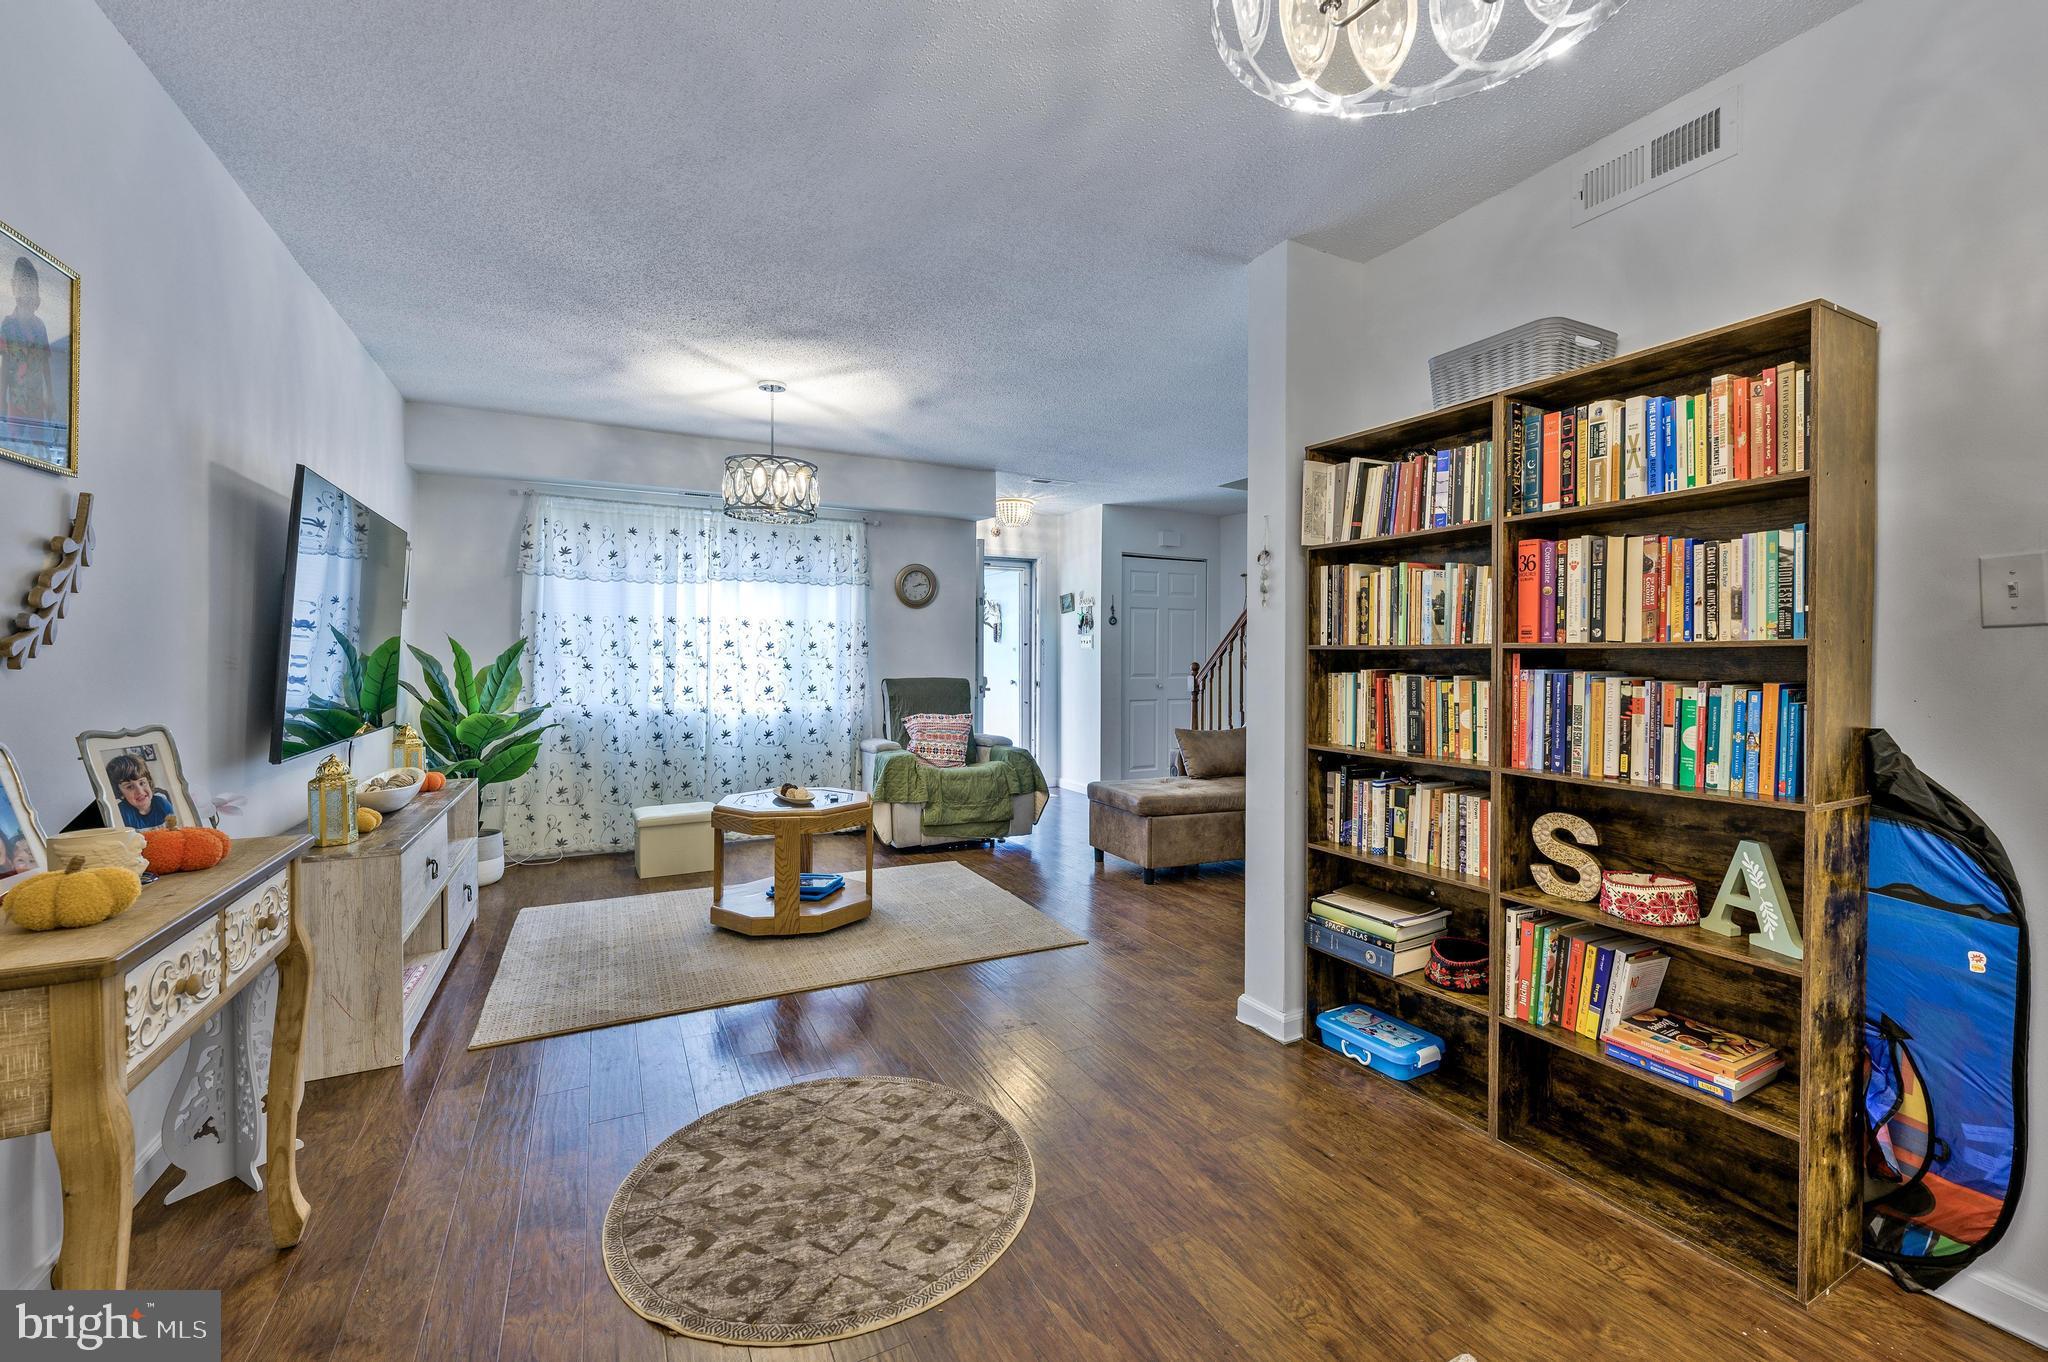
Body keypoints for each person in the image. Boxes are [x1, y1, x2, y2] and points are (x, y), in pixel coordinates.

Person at [1, 256, 55, 440]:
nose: (26, 290)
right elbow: (4, 367)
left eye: (31, 285)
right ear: (13, 285)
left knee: (38, 443)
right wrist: (1, 399)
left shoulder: (40, 327)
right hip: (15, 400)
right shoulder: (7, 326)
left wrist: (50, 395)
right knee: (12, 444)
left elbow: (45, 363)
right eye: (23, 283)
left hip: (36, 401)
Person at [106, 754, 175, 830]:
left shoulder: (163, 804)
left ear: (149, 782)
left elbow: (173, 830)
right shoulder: (121, 813)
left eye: (142, 783)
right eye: (130, 787)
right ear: (120, 792)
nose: (140, 791)